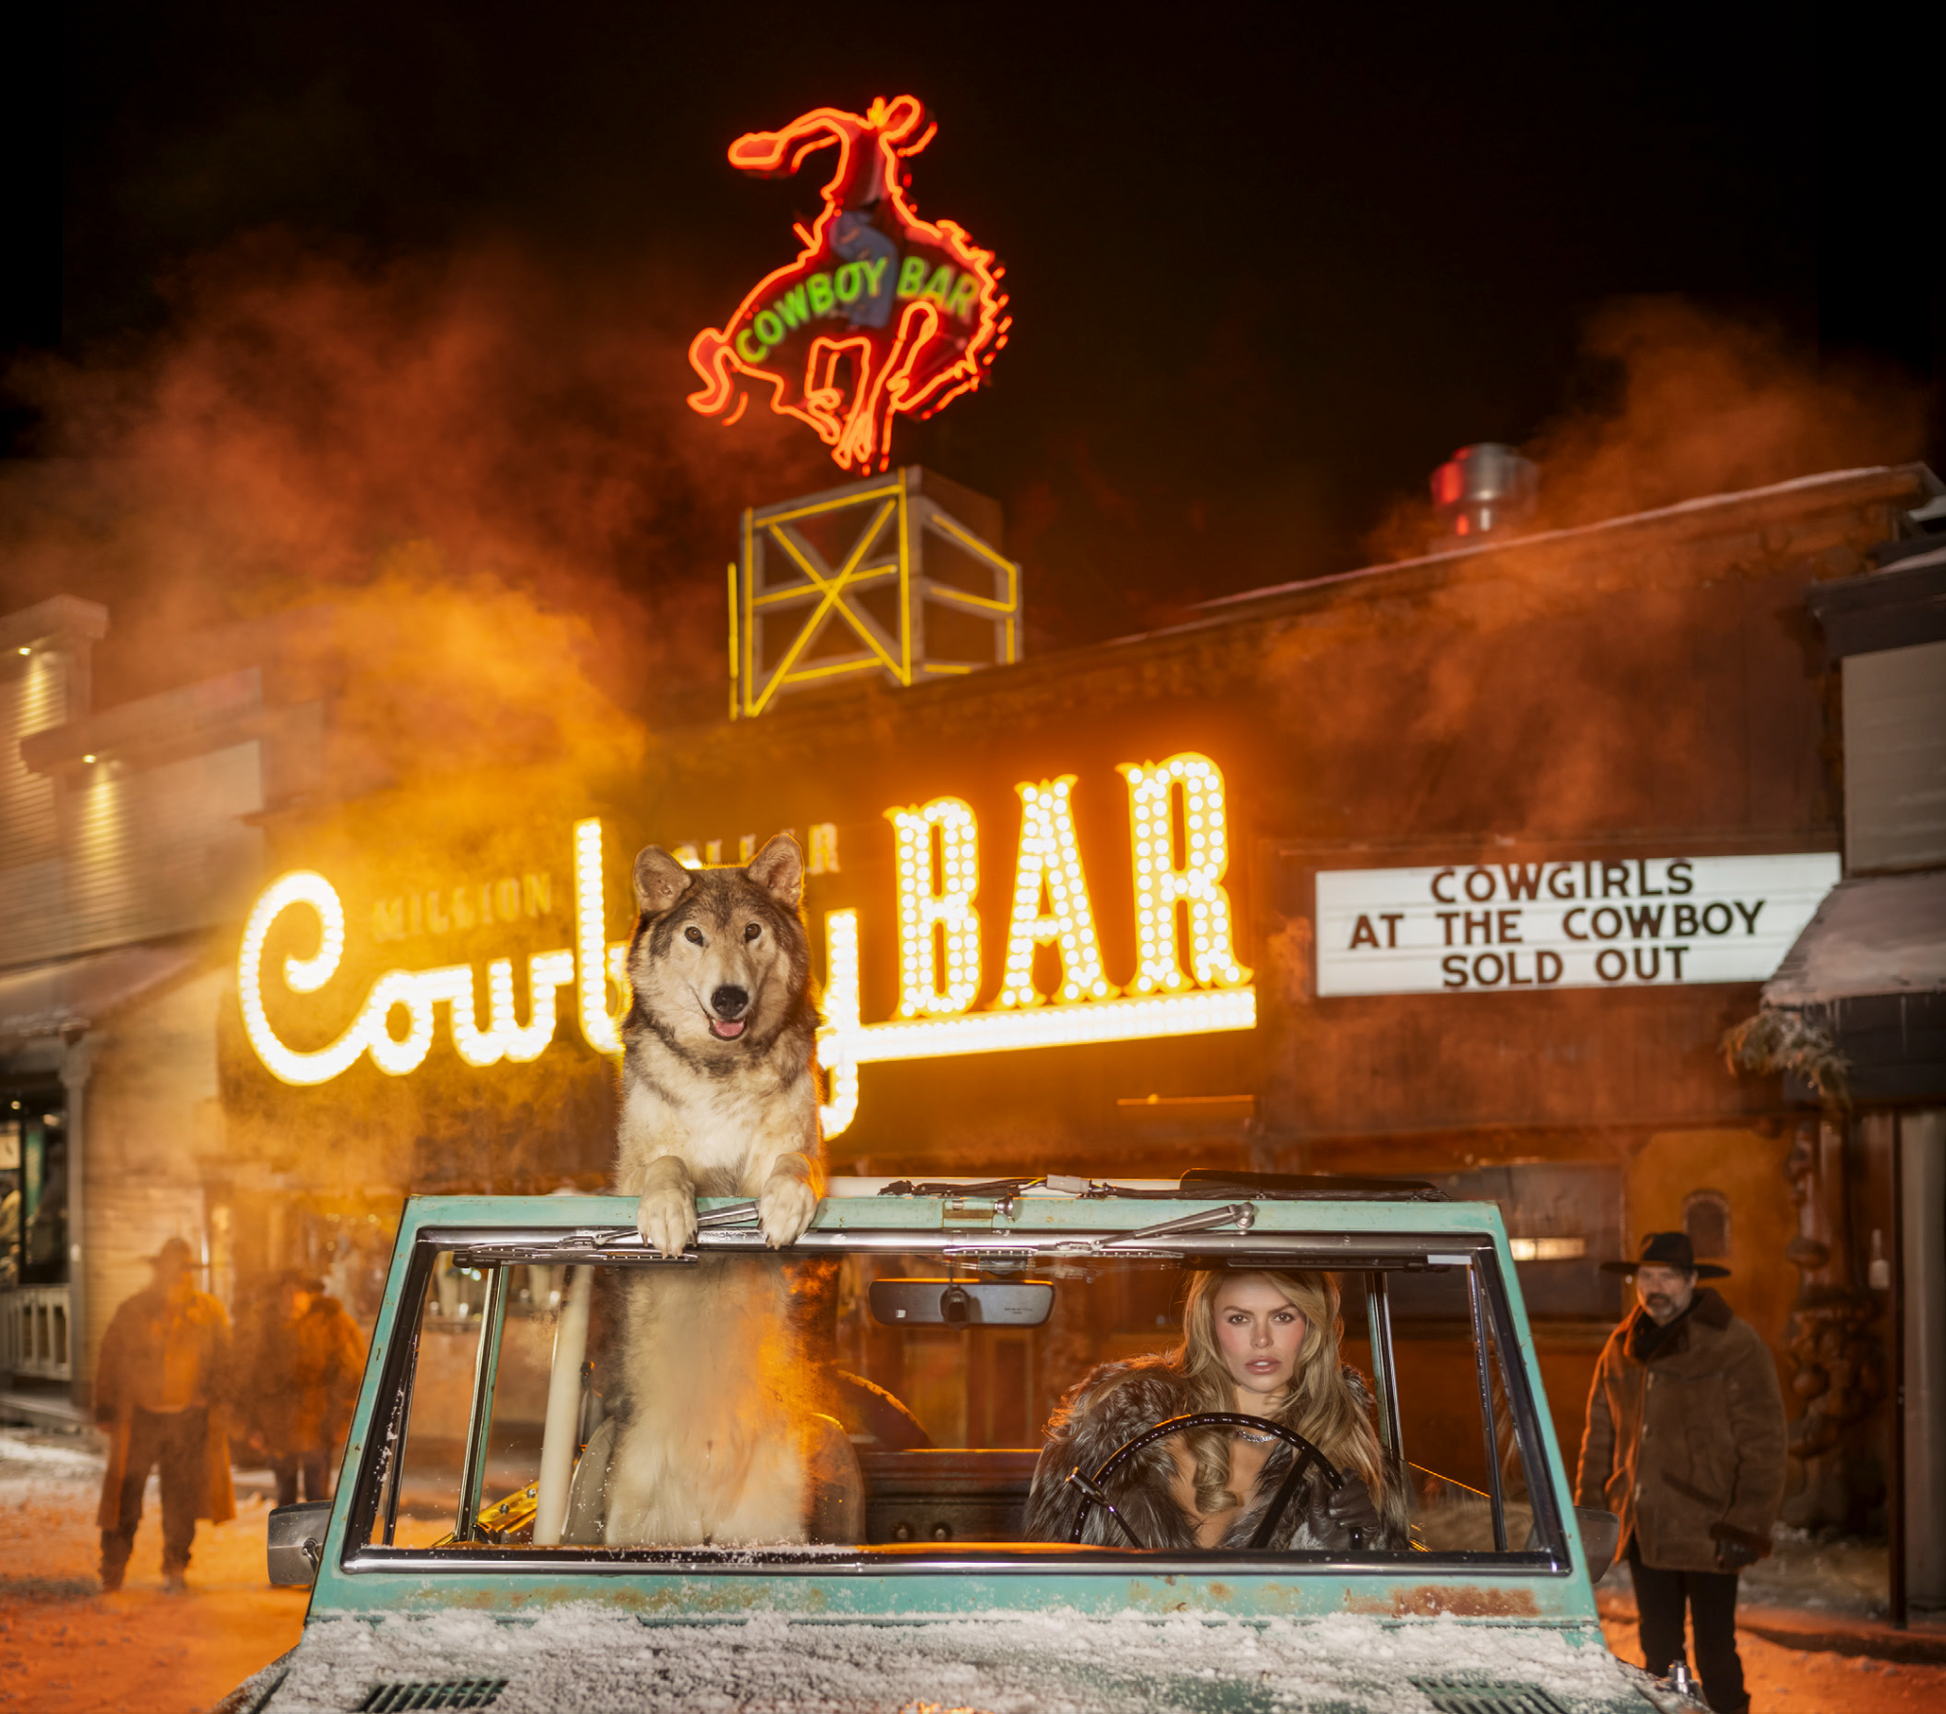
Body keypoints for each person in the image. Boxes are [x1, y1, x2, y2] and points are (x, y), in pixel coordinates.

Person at [1025, 1269, 1408, 1550]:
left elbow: (1381, 1618)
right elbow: (1045, 1573)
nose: (1261, 1339)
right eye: (1239, 1318)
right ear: (1210, 1324)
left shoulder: (1351, 1452)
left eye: (1283, 1316)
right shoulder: (1113, 1421)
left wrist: (1328, 1547)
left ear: (1311, 1327)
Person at [1578, 1232, 1787, 1714]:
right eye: (1646, 1276)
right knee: (1658, 1656)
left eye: (1667, 1276)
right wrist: (1590, 1513)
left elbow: (1766, 1442)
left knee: (1716, 1656)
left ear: (1692, 1280)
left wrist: (1747, 1523)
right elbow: (1600, 1436)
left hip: (1709, 1529)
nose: (1655, 1287)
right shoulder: (1620, 1344)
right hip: (1644, 1529)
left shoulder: (1734, 1343)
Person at [94, 1236, 236, 1593]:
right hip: (140, 1417)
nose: (178, 1277)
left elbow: (227, 1361)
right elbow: (109, 1358)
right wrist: (106, 1406)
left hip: (187, 1420)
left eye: (184, 1270)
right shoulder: (133, 1310)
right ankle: (113, 1567)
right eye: (172, 1269)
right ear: (159, 1271)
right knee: (126, 1497)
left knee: (181, 1498)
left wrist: (213, 1392)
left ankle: (176, 1564)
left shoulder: (208, 1311)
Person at [241, 1271, 366, 1507]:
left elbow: (352, 1376)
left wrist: (343, 1421)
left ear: (309, 1295)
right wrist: (251, 1426)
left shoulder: (333, 1324)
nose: (290, 1299)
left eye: (297, 1292)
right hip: (277, 1425)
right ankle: (288, 1544)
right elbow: (247, 1380)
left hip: (318, 1425)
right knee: (285, 1498)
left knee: (317, 1496)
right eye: (285, 1292)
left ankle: (318, 1543)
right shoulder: (263, 1328)